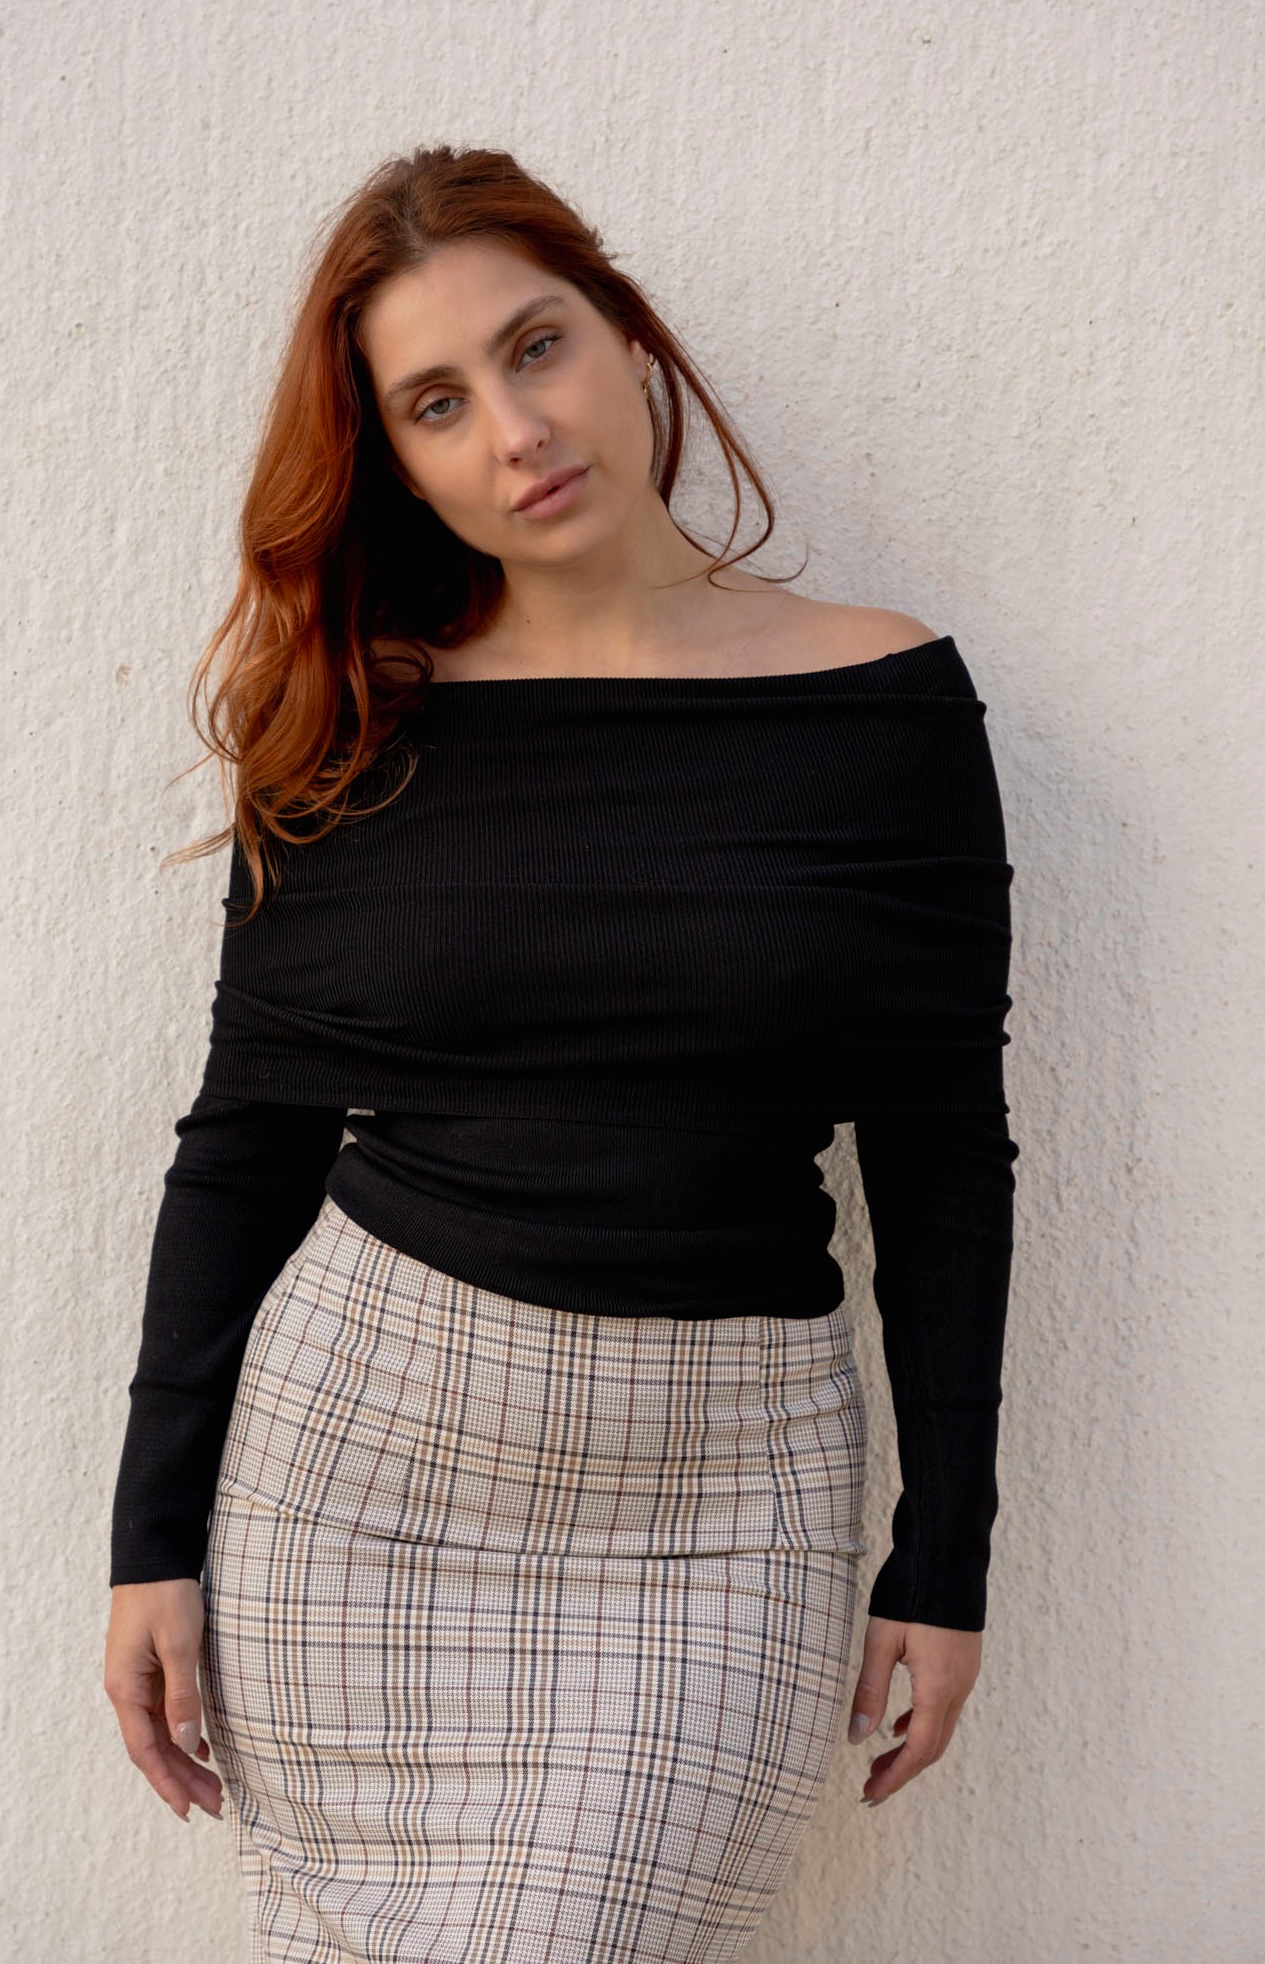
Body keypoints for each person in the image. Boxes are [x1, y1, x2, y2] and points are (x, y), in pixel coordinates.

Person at [104, 143, 1019, 1963]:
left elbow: (939, 1151)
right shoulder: (351, 728)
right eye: (436, 402)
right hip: (358, 1474)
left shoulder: (882, 705)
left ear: (626, 336)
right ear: (397, 460)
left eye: (537, 347)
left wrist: (947, 1547)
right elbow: (248, 1137)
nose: (515, 431)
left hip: (722, 1498)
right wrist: (151, 1537)